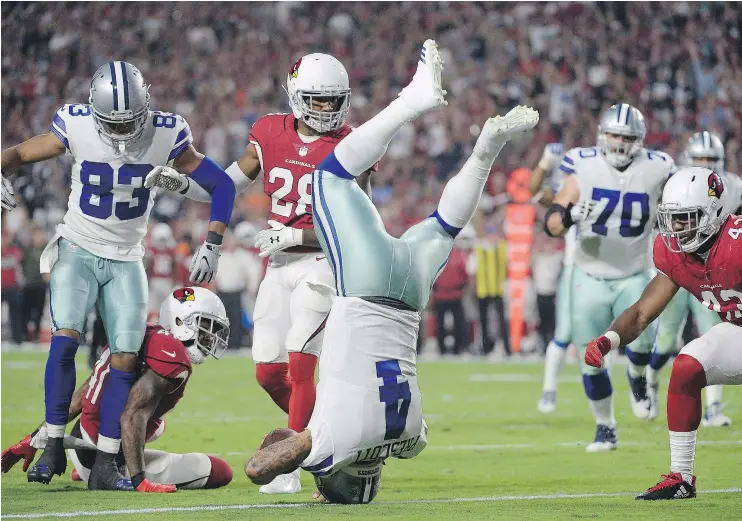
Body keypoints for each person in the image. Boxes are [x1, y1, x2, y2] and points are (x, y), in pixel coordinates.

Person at [244, 40, 539, 504]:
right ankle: (417, 105)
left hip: (408, 296)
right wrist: (299, 451)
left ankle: (483, 149)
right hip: (366, 289)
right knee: (329, 177)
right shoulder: (329, 448)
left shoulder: (412, 440)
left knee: (444, 225)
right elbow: (258, 467)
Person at [0, 61, 236, 489]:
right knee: (65, 339)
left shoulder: (168, 133)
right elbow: (16, 154)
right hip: (78, 245)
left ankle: (108, 461)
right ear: (95, 111)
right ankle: (53, 441)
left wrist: (213, 241)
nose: (124, 133)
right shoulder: (76, 124)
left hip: (127, 256)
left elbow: (221, 185)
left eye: (131, 123)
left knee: (125, 356)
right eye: (114, 123)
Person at [146, 53, 374, 494]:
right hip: (278, 264)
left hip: (324, 264)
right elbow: (228, 183)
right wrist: (183, 184)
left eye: (334, 102)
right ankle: (325, 441)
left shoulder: (355, 143)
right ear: (296, 98)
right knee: (268, 371)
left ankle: (286, 464)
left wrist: (295, 239)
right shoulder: (269, 132)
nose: (328, 111)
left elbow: (358, 229)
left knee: (301, 361)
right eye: (318, 101)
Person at [583, 166, 742, 500]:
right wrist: (608, 340)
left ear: (713, 213)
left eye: (686, 217)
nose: (678, 228)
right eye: (673, 218)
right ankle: (681, 478)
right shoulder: (674, 254)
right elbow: (642, 312)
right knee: (685, 367)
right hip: (738, 330)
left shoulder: (737, 244)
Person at [1, 287, 233, 493]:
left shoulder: (142, 334)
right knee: (220, 470)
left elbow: (80, 398)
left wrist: (32, 439)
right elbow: (132, 416)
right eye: (206, 327)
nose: (210, 338)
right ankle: (100, 471)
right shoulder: (174, 359)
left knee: (158, 425)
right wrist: (139, 480)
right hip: (105, 459)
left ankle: (84, 469)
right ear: (182, 322)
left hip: (83, 437)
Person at [545, 103, 676, 451]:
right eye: (615, 135)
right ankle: (605, 426)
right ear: (603, 136)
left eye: (627, 137)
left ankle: (637, 378)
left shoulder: (659, 167)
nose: (619, 143)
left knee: (644, 344)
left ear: (640, 140)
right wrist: (571, 215)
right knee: (590, 358)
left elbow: (676, 208)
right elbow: (552, 224)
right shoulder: (583, 164)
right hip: (588, 275)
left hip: (634, 271)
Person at [646, 131, 741, 426]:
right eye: (699, 159)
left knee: (712, 333)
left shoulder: (733, 185)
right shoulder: (675, 183)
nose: (705, 164)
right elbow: (659, 224)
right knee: (666, 338)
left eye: (710, 160)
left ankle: (712, 407)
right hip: (678, 265)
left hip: (716, 269)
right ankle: (649, 381)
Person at [529, 142, 579, 412]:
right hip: (578, 268)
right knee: (564, 332)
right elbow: (535, 192)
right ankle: (549, 390)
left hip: (618, 269)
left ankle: (644, 389)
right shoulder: (573, 190)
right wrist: (545, 163)